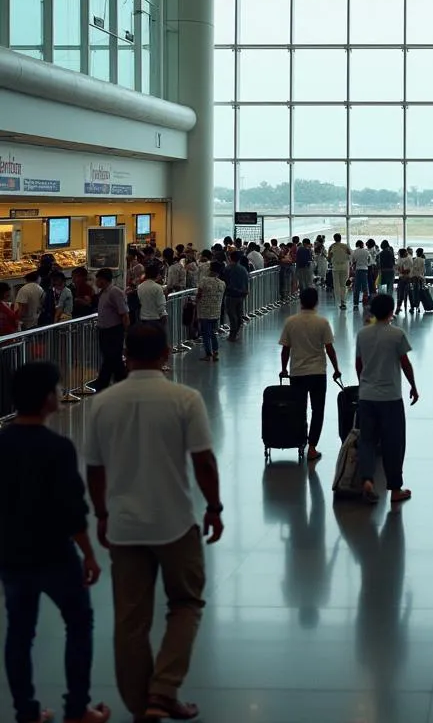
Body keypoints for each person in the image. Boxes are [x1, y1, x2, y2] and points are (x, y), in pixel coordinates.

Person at [84, 325, 223, 721]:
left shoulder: (104, 403)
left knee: (130, 621)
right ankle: (162, 692)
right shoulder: (184, 399)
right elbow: (203, 460)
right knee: (186, 602)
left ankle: (140, 703)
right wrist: (213, 506)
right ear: (165, 354)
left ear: (126, 355)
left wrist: (102, 514)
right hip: (175, 522)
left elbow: (94, 469)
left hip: (124, 527)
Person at [0, 362, 110, 723]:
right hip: (54, 553)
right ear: (48, 397)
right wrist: (89, 553)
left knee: (19, 632)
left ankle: (26, 712)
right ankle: (77, 708)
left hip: (13, 554)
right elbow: (72, 509)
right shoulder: (57, 448)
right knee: (79, 623)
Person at [354, 294, 419, 505]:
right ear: (391, 312)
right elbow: (405, 363)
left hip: (367, 396)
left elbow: (358, 364)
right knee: (394, 443)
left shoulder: (362, 335)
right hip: (390, 397)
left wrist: (363, 383)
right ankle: (395, 488)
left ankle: (367, 480)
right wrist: (413, 386)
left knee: (367, 440)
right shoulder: (396, 334)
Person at [279, 288, 341, 463]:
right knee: (317, 410)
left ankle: (300, 442)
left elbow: (285, 349)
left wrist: (284, 369)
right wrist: (336, 369)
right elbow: (329, 349)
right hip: (317, 373)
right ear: (316, 302)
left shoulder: (291, 322)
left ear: (300, 301)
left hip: (297, 372)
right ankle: (312, 447)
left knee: (299, 409)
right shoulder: (322, 322)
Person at [93, 269, 130, 389]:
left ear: (103, 280)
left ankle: (102, 383)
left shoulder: (115, 292)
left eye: (97, 279)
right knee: (112, 359)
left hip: (114, 331)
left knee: (111, 357)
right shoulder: (103, 293)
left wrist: (126, 332)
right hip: (104, 331)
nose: (96, 282)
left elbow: (124, 313)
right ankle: (120, 381)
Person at [195, 262, 225, 363]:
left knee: (205, 333)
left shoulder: (204, 281)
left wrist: (196, 302)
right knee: (213, 332)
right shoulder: (222, 283)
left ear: (210, 269)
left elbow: (199, 294)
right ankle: (215, 351)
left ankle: (208, 354)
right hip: (216, 311)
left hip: (204, 311)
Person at [222, 251, 249, 343]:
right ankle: (236, 332)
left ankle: (233, 334)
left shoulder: (228, 269)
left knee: (232, 314)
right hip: (241, 294)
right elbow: (246, 282)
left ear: (230, 258)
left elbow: (225, 282)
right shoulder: (243, 269)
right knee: (238, 314)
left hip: (231, 294)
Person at [136, 262, 168, 336]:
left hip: (143, 319)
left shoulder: (140, 287)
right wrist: (164, 316)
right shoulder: (157, 287)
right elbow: (161, 306)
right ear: (156, 274)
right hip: (155, 319)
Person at [328, 234, 352, 309]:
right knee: (343, 285)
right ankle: (343, 302)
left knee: (336, 285)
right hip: (345, 267)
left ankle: (339, 302)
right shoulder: (345, 246)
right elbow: (350, 255)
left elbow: (329, 258)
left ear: (334, 238)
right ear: (340, 238)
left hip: (335, 268)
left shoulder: (332, 246)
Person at [351, 240, 371, 309]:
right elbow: (369, 261)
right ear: (362, 244)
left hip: (358, 270)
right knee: (365, 286)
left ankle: (356, 304)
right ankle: (366, 302)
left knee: (357, 287)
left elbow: (353, 261)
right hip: (365, 270)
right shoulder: (366, 252)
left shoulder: (355, 252)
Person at [395, 247, 412, 312]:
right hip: (407, 278)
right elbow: (408, 270)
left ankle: (398, 307)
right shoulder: (409, 258)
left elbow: (399, 269)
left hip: (402, 278)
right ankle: (412, 307)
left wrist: (401, 271)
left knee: (400, 293)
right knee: (409, 293)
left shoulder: (401, 259)